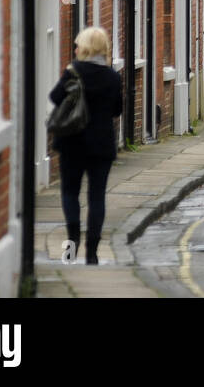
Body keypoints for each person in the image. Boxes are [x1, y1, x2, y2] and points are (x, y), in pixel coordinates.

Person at [50, 26, 123, 265]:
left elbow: (55, 97)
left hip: (72, 142)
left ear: (85, 47)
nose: (76, 47)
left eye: (78, 44)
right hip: (101, 145)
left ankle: (71, 248)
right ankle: (92, 253)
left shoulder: (73, 72)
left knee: (70, 193)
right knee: (97, 197)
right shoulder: (112, 77)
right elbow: (117, 109)